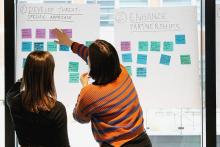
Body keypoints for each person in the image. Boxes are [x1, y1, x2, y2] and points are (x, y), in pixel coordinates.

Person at [53, 29, 152, 147]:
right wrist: (70, 43)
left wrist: (84, 88)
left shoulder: (90, 93)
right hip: (142, 140)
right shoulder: (123, 72)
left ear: (94, 66)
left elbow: (79, 117)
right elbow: (96, 57)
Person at [6, 51, 70, 147]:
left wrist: (25, 79)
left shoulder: (14, 102)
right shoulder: (57, 109)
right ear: (49, 76)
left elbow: (10, 94)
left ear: (26, 73)